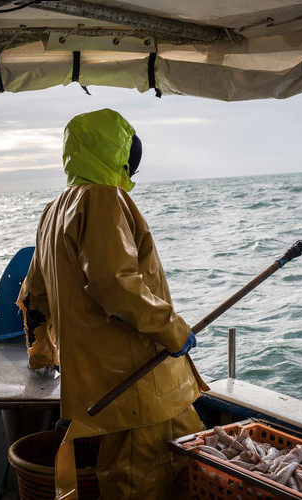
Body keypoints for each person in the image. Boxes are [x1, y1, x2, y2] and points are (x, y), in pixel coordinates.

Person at [17, 108, 208, 500]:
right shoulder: (103, 199)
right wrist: (174, 330)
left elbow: (34, 296)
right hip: (135, 383)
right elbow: (113, 283)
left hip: (132, 387)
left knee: (188, 462)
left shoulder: (55, 210)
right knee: (141, 483)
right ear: (116, 153)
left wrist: (42, 352)